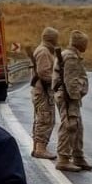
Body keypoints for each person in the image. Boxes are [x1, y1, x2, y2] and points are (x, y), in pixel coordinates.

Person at [53, 30, 92, 172]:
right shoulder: (70, 57)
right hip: (69, 97)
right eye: (85, 42)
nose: (86, 45)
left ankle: (78, 156)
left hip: (69, 96)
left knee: (77, 126)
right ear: (80, 43)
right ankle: (63, 159)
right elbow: (71, 81)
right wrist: (75, 98)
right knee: (69, 126)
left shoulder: (70, 55)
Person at [29, 26, 60, 159]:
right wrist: (57, 81)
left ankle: (37, 147)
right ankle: (40, 148)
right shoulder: (44, 52)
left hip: (41, 90)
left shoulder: (44, 50)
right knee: (45, 119)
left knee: (41, 119)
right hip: (43, 91)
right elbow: (44, 72)